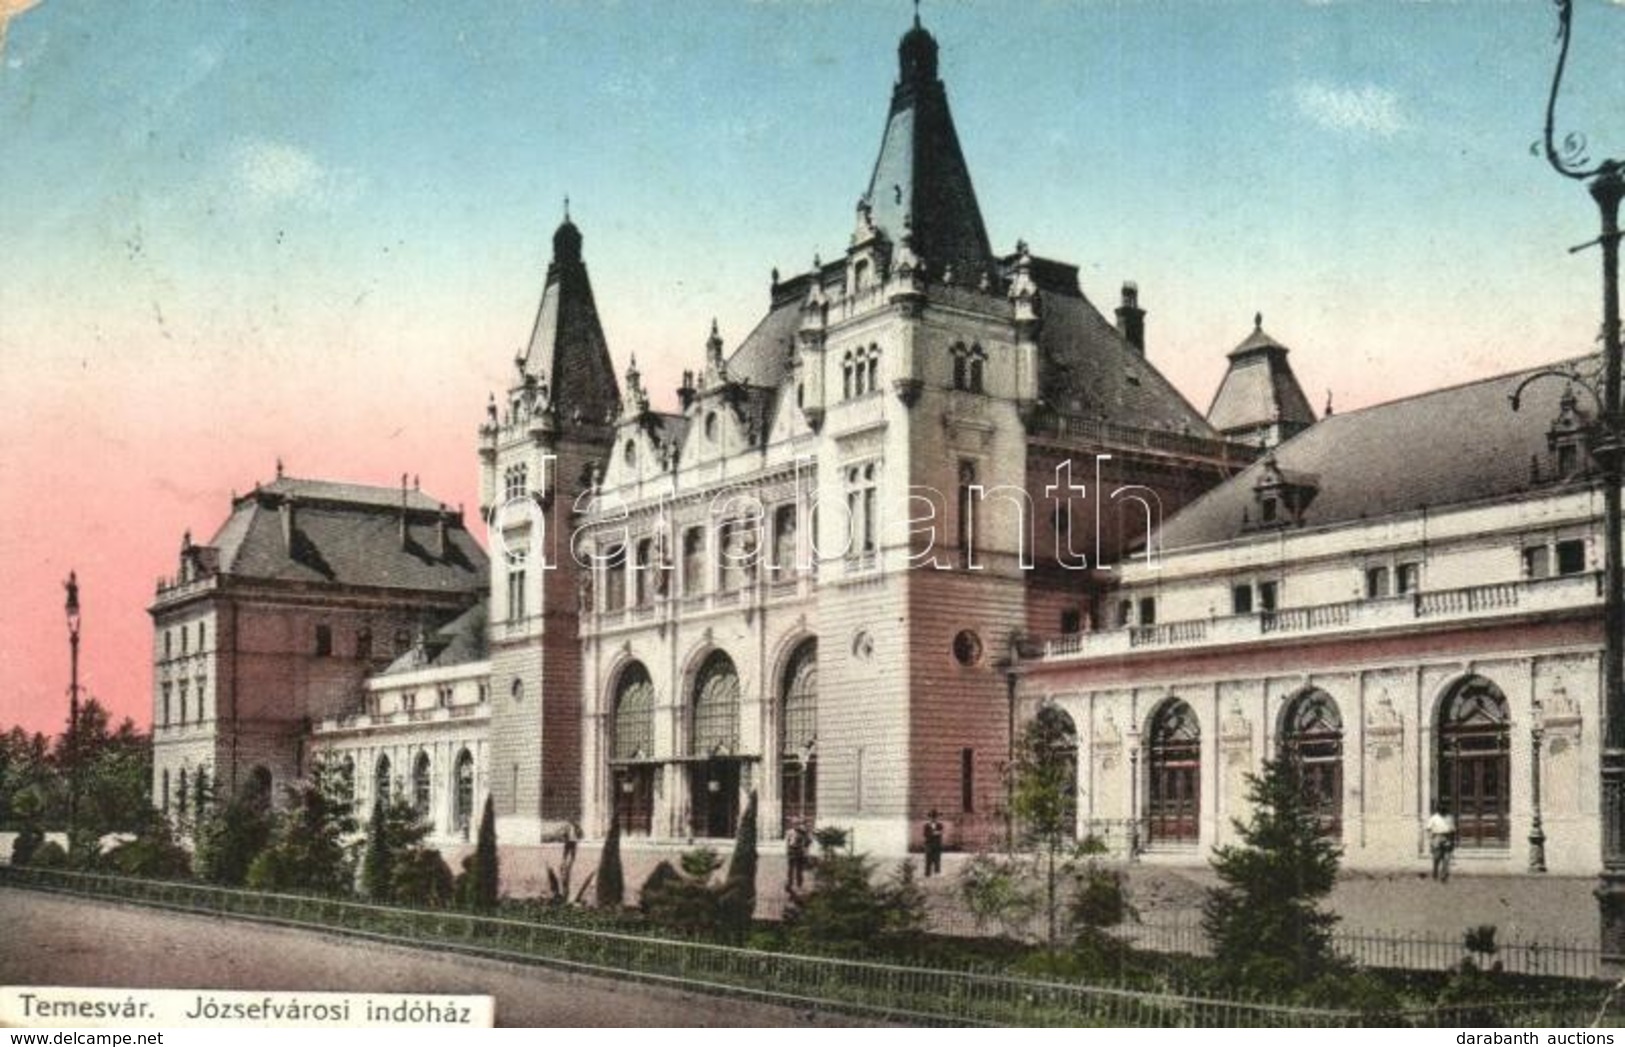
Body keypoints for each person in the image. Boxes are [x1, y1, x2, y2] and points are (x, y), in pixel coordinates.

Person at [1427, 805, 1456, 882]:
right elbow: (1429, 829)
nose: (1443, 812)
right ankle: (1435, 871)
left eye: (1444, 810)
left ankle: (1443, 875)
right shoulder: (1433, 818)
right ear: (1438, 810)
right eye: (1441, 810)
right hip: (1437, 837)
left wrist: (1452, 841)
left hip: (1447, 837)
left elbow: (1453, 829)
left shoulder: (1449, 817)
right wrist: (1431, 840)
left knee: (1446, 858)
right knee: (1437, 857)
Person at [785, 819, 810, 892]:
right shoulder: (789, 832)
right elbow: (787, 842)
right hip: (791, 851)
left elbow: (808, 842)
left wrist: (805, 850)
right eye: (794, 824)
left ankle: (799, 884)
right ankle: (790, 883)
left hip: (799, 851)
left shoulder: (802, 833)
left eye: (797, 824)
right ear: (792, 824)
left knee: (799, 869)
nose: (796, 825)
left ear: (799, 825)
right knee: (790, 869)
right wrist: (787, 851)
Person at [923, 809, 945, 877]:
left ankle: (937, 872)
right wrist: (934, 833)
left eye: (935, 817)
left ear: (937, 817)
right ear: (929, 817)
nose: (934, 819)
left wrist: (935, 833)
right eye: (932, 817)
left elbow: (942, 832)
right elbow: (925, 834)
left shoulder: (940, 825)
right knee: (928, 859)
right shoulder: (926, 825)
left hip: (937, 844)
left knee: (937, 859)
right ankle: (927, 873)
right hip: (929, 844)